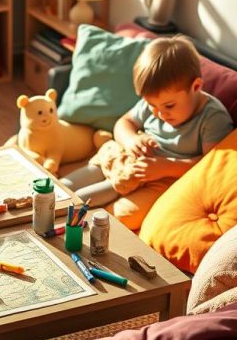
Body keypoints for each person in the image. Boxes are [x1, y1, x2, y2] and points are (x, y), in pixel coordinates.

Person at [61, 36, 233, 231]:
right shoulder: (156, 103)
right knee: (71, 183)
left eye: (168, 106)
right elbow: (123, 123)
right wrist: (131, 139)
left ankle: (86, 224)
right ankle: (58, 198)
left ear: (196, 87)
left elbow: (209, 167)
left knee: (127, 215)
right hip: (126, 158)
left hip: (163, 178)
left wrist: (166, 167)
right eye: (152, 105)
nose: (159, 113)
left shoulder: (213, 118)